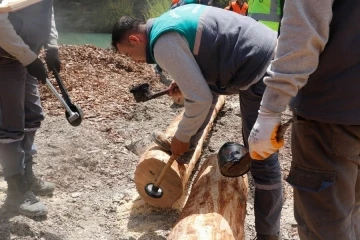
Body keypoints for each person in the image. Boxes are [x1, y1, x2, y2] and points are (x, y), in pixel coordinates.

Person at [112, 4, 282, 239]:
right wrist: (186, 81)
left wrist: (181, 136)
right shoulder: (167, 21)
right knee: (215, 106)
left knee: (260, 152)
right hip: (262, 51)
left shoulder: (162, 43)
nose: (136, 60)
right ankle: (184, 153)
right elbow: (206, 59)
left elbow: (200, 99)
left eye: (130, 54)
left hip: (261, 66)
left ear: (134, 39)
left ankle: (269, 235)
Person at [248, 0, 360, 239]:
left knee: (324, 226)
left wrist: (270, 110)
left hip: (330, 115)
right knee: (354, 211)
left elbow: (303, 33)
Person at [0, 0, 60, 217]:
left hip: (27, 57)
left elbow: (46, 10)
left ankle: (27, 174)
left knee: (32, 117)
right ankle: (16, 189)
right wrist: (28, 57)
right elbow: (0, 21)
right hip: (5, 59)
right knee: (10, 126)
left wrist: (52, 44)